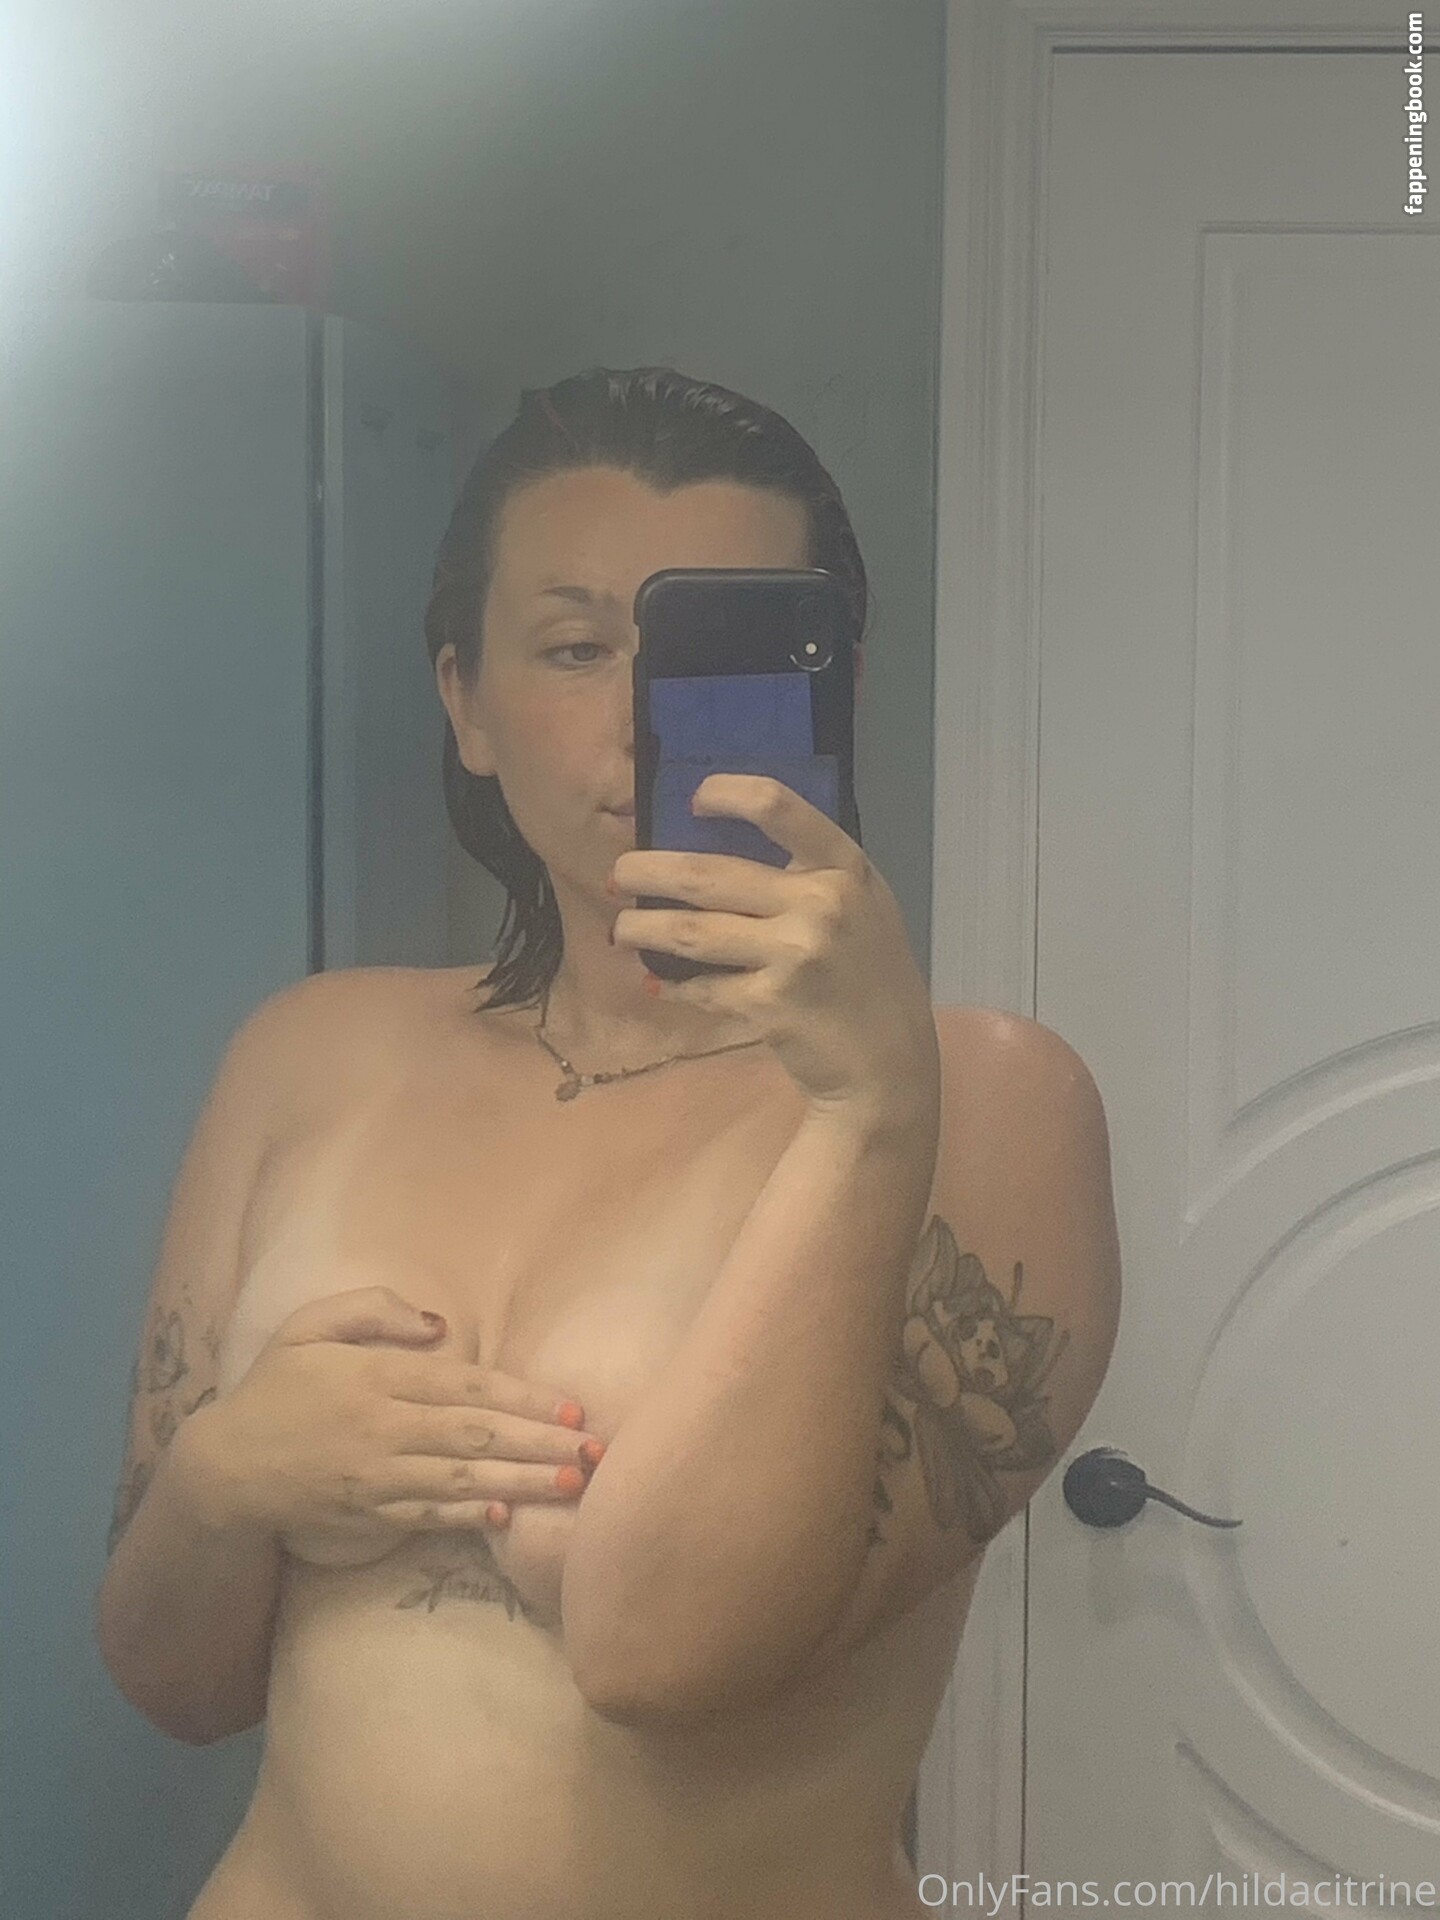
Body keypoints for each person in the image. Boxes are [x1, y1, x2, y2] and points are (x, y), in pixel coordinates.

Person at [95, 367, 1122, 1920]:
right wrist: (225, 1481)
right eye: (576, 649)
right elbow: (173, 1681)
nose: (642, 726)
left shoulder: (982, 1103)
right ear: (467, 703)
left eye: (713, 656)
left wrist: (867, 1116)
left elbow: (665, 1653)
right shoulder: (305, 1058)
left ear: (829, 689)